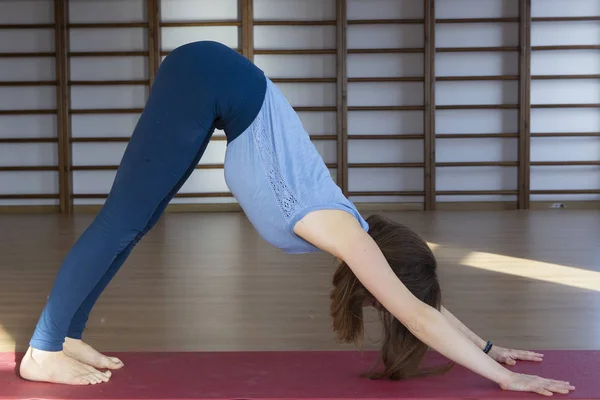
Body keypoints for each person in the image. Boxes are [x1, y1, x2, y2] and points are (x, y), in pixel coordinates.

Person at [19, 41, 574, 396]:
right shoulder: (341, 232)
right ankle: (44, 350)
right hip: (209, 77)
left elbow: (420, 304)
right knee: (120, 219)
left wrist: (487, 347)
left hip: (218, 85)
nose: (387, 305)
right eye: (391, 297)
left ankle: (65, 336)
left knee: (133, 225)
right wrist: (507, 378)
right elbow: (419, 315)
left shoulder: (358, 236)